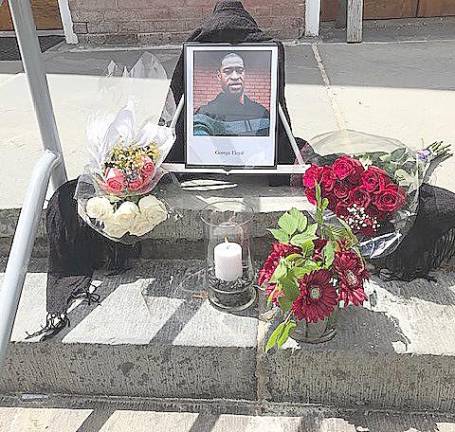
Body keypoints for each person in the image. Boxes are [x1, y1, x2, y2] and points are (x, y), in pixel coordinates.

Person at [193, 52, 270, 136]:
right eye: (228, 71)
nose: (235, 77)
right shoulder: (205, 114)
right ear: (219, 76)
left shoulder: (261, 112)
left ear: (244, 74)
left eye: (239, 71)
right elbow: (200, 144)